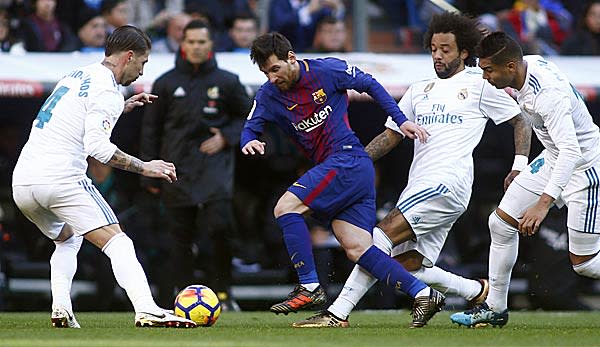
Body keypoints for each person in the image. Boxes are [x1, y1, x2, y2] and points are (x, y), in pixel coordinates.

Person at [292, 11, 532, 328]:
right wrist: (354, 162)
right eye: (433, 48)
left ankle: (337, 312)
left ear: (463, 52)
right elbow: (391, 135)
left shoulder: (479, 83)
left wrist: (519, 165)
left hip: (447, 182)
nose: (438, 55)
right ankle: (476, 291)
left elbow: (521, 120)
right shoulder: (420, 89)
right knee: (406, 264)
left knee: (378, 237)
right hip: (420, 184)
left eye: (445, 49)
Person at [242, 31, 445, 328]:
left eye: (275, 69)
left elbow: (370, 84)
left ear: (291, 58)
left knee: (285, 208)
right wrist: (250, 141)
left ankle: (309, 286)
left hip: (347, 159)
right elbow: (250, 127)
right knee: (357, 249)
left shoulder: (327, 70)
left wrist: (401, 120)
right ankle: (424, 293)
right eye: (265, 72)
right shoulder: (269, 94)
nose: (272, 77)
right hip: (345, 170)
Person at [11, 25, 196, 329]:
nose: (141, 71)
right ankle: (147, 308)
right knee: (119, 243)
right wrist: (145, 166)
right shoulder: (108, 89)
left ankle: (61, 308)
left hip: (24, 182)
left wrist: (121, 108)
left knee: (67, 240)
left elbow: (74, 117)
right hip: (61, 179)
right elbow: (97, 148)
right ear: (130, 56)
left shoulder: (76, 75)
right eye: (143, 63)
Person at [450, 31, 600, 327]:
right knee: (500, 222)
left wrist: (542, 205)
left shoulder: (548, 94)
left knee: (584, 265)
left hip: (585, 166)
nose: (485, 77)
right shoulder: (523, 64)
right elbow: (546, 136)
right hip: (553, 157)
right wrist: (520, 165)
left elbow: (571, 151)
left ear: (509, 68)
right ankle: (494, 308)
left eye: (488, 70)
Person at [140, 19, 252, 311]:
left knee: (218, 229)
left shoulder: (228, 81)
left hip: (215, 167)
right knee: (179, 238)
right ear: (182, 44)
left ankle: (224, 294)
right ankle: (183, 296)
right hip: (176, 168)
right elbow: (151, 130)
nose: (196, 47)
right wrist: (148, 174)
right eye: (191, 42)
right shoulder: (165, 82)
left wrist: (226, 138)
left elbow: (250, 119)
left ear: (211, 44)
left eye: (202, 42)